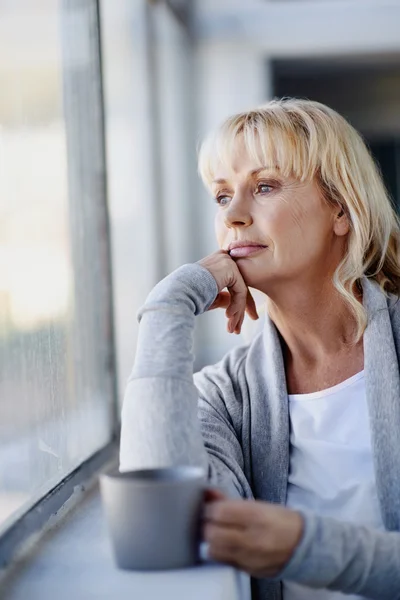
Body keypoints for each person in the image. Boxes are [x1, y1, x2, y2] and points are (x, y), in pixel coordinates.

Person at [119, 98, 400, 600]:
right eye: (222, 196)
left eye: (265, 186)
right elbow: (160, 527)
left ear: (340, 208)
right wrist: (170, 304)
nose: (234, 215)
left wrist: (306, 547)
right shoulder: (221, 398)